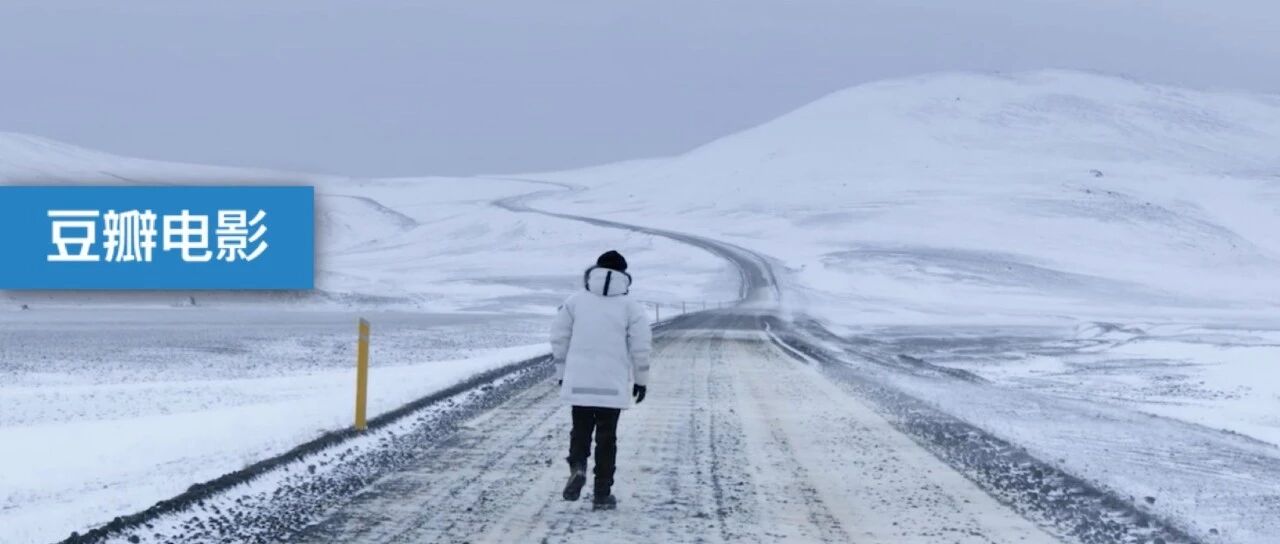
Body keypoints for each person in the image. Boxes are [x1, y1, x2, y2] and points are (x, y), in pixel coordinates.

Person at [550, 250, 653, 510]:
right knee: (607, 438)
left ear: (595, 271)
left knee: (580, 430)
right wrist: (641, 380)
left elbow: (559, 339)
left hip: (580, 381)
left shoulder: (574, 302)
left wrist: (562, 374)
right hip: (612, 385)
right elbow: (641, 346)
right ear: (624, 276)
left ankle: (578, 467)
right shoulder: (631, 307)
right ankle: (602, 494)